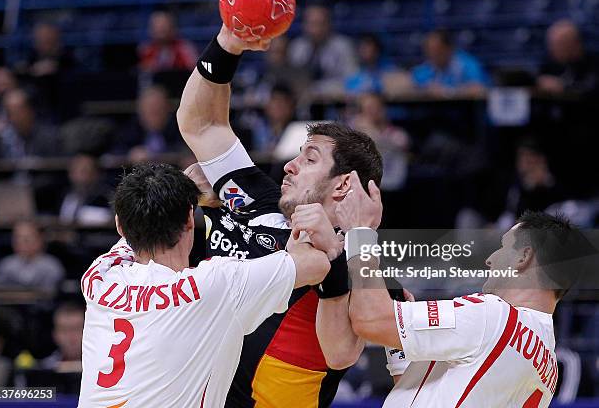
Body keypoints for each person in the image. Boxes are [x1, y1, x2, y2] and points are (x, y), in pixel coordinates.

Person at [177, 23, 383, 407]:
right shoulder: (258, 198)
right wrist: (227, 44)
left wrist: (338, 259)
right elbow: (202, 125)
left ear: (342, 185)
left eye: (309, 159)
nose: (289, 165)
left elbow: (341, 354)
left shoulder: (361, 264)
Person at [318, 171, 591, 407]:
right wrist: (399, 339)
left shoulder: (493, 316)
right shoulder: (548, 363)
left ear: (523, 257)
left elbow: (370, 319)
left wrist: (360, 233)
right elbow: (423, 391)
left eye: (503, 246)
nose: (490, 258)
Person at [78, 163, 334, 407]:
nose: (293, 164)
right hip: (306, 363)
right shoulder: (215, 283)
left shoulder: (100, 276)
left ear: (119, 227)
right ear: (190, 219)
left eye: (310, 157)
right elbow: (319, 264)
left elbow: (141, 218)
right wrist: (365, 231)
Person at [288, 5, 358, 98]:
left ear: (329, 24)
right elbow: (291, 80)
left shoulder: (343, 46)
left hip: (336, 102)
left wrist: (317, 90)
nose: (317, 30)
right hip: (302, 103)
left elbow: (352, 81)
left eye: (321, 24)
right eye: (312, 24)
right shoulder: (297, 47)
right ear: (305, 25)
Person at [114, 85, 184, 162]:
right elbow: (114, 153)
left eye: (158, 109)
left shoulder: (180, 128)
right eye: (149, 109)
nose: (154, 113)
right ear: (140, 110)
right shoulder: (129, 130)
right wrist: (130, 154)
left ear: (168, 108)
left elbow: (184, 150)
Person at [0, 220, 64, 293]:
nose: (21, 243)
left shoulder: (51, 266)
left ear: (40, 240)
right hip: (12, 303)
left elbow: (52, 293)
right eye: (17, 239)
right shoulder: (6, 264)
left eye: (26, 239)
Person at [412, 30, 489, 97]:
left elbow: (478, 89)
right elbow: (411, 83)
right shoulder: (428, 67)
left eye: (437, 50)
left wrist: (447, 92)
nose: (432, 55)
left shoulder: (467, 64)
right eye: (429, 51)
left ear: (449, 49)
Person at [537, 19, 599, 97]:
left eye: (559, 45)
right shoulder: (550, 65)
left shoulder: (594, 64)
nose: (553, 50)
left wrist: (563, 88)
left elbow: (591, 91)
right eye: (551, 45)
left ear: (574, 44)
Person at [0, 88, 59, 159]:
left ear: (30, 110)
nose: (14, 116)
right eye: (10, 112)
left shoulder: (49, 138)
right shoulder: (2, 141)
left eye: (18, 111)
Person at [59, 154, 111, 225]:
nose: (78, 176)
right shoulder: (65, 195)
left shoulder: (106, 198)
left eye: (83, 171)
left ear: (96, 174)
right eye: (74, 171)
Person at [41, 302, 84, 371]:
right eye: (64, 330)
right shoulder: (43, 369)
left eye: (77, 329)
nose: (72, 338)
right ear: (55, 335)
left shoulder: (103, 367)